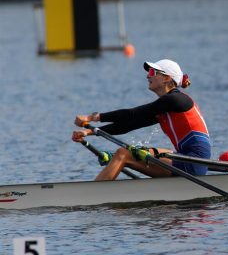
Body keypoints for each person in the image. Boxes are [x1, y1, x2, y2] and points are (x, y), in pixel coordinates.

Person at [72, 59, 211, 180]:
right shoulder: (166, 108)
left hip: (193, 163)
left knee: (123, 154)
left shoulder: (175, 100)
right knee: (130, 152)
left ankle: (95, 194)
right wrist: (88, 133)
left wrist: (92, 117)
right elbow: (129, 125)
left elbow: (132, 114)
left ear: (166, 78)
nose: (147, 76)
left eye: (152, 72)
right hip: (187, 159)